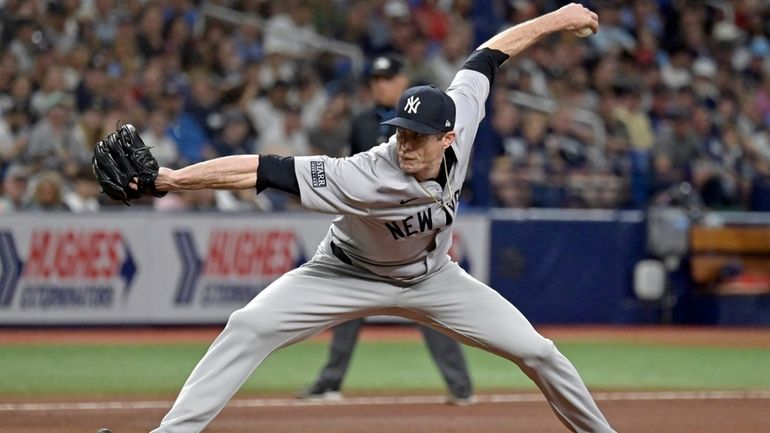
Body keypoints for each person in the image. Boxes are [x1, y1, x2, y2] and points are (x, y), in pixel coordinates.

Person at [142, 4, 614, 432]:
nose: (405, 144)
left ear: (447, 138)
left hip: (434, 279)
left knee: (539, 352)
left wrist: (559, 18)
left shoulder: (463, 114)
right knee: (248, 326)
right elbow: (263, 168)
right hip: (344, 272)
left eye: (418, 136)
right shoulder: (365, 174)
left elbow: (489, 54)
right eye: (401, 132)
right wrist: (172, 179)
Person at [298, 53, 474, 404]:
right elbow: (348, 170)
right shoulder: (363, 121)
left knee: (431, 306)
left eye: (387, 78)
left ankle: (461, 387)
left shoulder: (427, 118)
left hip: (411, 227)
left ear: (402, 79)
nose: (380, 85)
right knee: (347, 310)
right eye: (375, 80)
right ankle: (331, 382)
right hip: (370, 229)